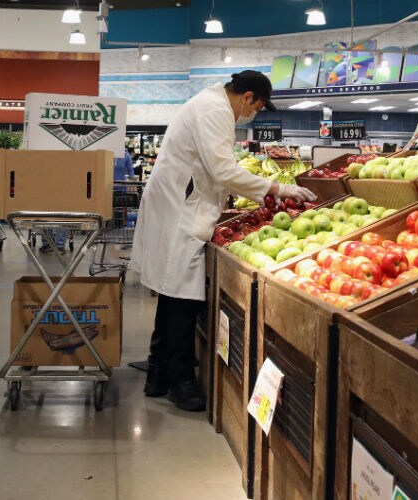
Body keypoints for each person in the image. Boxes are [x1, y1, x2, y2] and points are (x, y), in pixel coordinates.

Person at [129, 71, 316, 411]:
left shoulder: (207, 103)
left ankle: (158, 374)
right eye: (257, 106)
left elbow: (215, 170)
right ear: (248, 97)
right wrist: (277, 188)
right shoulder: (215, 110)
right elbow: (222, 171)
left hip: (178, 205)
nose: (254, 112)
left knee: (172, 295)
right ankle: (180, 380)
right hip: (180, 212)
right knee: (182, 297)